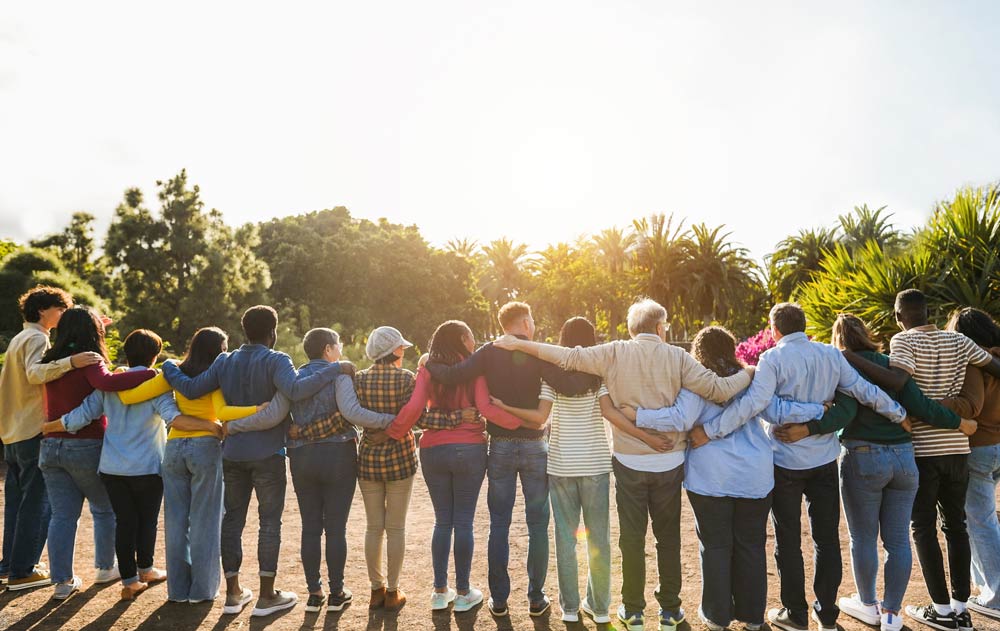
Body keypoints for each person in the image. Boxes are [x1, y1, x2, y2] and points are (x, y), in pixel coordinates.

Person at [494, 298, 754, 631]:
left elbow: (569, 356)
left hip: (627, 462)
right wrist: (748, 372)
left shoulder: (614, 352)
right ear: (660, 328)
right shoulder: (678, 356)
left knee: (630, 539)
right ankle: (670, 612)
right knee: (668, 538)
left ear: (633, 329)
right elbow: (718, 390)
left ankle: (631, 612)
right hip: (669, 461)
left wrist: (519, 344)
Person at [689, 303, 907, 631]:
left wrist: (710, 431)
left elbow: (757, 406)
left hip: (785, 463)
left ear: (775, 330)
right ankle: (827, 616)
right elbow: (865, 391)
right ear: (803, 326)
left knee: (788, 540)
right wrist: (897, 414)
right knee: (826, 539)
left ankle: (795, 614)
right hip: (823, 461)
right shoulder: (831, 356)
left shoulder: (772, 360)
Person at [622, 326, 828, 631]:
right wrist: (819, 409)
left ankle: (717, 617)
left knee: (715, 546)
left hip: (710, 477)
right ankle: (754, 618)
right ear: (731, 348)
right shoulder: (751, 379)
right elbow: (776, 410)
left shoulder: (697, 382)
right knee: (751, 545)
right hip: (754, 475)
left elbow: (678, 418)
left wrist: (637, 415)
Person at [160, 305, 349, 617]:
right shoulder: (277, 360)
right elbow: (297, 390)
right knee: (269, 523)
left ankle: (233, 594)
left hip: (232, 453)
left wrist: (168, 366)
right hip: (268, 455)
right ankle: (266, 596)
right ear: (272, 331)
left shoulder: (224, 360)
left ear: (244, 330)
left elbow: (192, 388)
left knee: (232, 520)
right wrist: (336, 368)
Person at [795, 314, 975, 631]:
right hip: (905, 458)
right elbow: (921, 405)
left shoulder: (842, 366)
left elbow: (846, 411)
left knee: (863, 538)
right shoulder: (891, 365)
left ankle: (868, 605)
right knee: (898, 542)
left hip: (863, 457)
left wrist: (812, 426)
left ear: (838, 342)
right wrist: (958, 423)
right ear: (866, 334)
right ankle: (892, 615)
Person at [491, 316, 671, 625]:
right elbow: (610, 413)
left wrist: (502, 406)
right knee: (599, 540)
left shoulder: (550, 376)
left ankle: (570, 608)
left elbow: (539, 418)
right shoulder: (598, 374)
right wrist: (648, 437)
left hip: (561, 466)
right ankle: (600, 609)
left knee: (565, 540)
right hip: (596, 466)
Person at [422, 302, 597, 618]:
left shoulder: (488, 352)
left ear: (503, 324)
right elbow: (567, 384)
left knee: (499, 524)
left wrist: (427, 364)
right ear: (527, 322)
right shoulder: (535, 352)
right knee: (537, 525)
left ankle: (499, 600)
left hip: (500, 446)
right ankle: (536, 597)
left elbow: (452, 375)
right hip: (534, 446)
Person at [847, 290, 1000, 631]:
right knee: (956, 525)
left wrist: (852, 358)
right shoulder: (959, 341)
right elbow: (994, 367)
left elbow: (899, 381)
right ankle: (961, 610)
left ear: (899, 316)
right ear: (930, 312)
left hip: (923, 451)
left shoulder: (903, 341)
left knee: (923, 529)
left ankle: (942, 611)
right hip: (959, 449)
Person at [225, 328, 403, 614]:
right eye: (339, 345)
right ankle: (336, 593)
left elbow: (273, 415)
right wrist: (392, 420)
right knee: (335, 528)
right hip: (337, 456)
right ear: (328, 350)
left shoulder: (292, 378)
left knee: (310, 527)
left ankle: (314, 593)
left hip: (302, 458)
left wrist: (232, 426)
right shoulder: (339, 374)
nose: (341, 350)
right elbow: (352, 413)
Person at [377, 320, 532, 613]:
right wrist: (525, 423)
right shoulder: (474, 368)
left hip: (433, 450)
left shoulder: (427, 368)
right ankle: (463, 593)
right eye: (471, 337)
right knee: (463, 522)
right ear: (462, 339)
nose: (473, 343)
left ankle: (439, 591)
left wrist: (393, 431)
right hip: (469, 450)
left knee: (442, 521)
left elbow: (414, 409)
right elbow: (485, 409)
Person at [46, 330, 207, 600]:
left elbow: (82, 415)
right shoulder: (155, 386)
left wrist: (49, 427)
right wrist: (211, 426)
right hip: (148, 468)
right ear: (155, 357)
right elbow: (174, 417)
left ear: (127, 354)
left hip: (112, 468)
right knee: (147, 522)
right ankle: (146, 568)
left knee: (124, 522)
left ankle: (130, 581)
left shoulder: (109, 386)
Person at [116, 326, 261, 604]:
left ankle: (178, 592)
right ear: (219, 349)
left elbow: (129, 396)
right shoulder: (216, 378)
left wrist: (121, 376)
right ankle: (202, 591)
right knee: (205, 521)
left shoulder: (174, 373)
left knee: (176, 521)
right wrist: (257, 409)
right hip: (205, 448)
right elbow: (222, 413)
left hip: (173, 449)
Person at [38, 308, 156, 598]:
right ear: (93, 332)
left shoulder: (53, 360)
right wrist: (154, 374)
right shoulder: (90, 359)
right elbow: (107, 384)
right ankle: (105, 568)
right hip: (84, 442)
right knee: (105, 509)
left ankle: (62, 583)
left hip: (51, 444)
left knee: (62, 516)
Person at [0, 287, 100, 591]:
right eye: (62, 308)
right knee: (37, 502)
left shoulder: (20, 338)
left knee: (17, 501)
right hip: (33, 429)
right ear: (44, 310)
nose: (65, 315)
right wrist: (72, 362)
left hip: (13, 431)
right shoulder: (36, 338)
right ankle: (23, 570)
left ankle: (11, 565)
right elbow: (35, 373)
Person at [943, 308, 1000, 622]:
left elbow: (972, 406)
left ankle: (996, 595)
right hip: (998, 447)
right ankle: (985, 586)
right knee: (979, 519)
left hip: (979, 448)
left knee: (981, 522)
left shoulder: (975, 361)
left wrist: (930, 401)